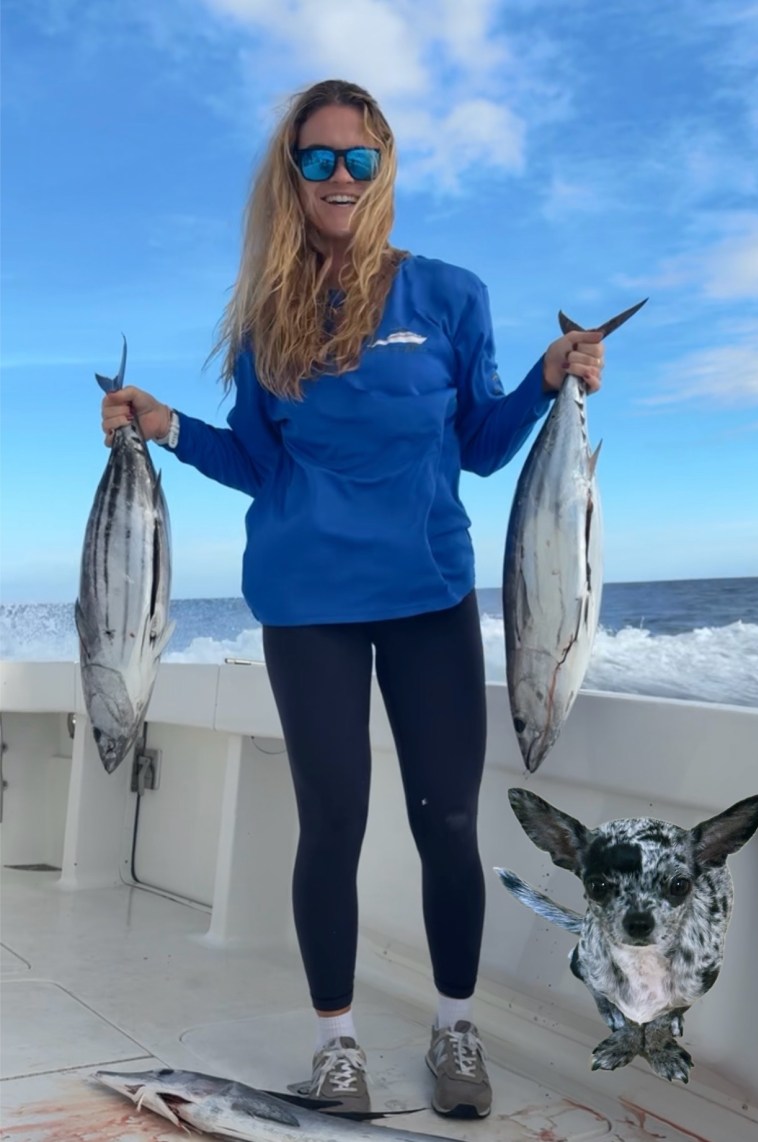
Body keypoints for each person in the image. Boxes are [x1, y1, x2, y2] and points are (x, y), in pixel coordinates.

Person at [101, 78, 604, 1121]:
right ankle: (336, 1045)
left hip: (426, 593)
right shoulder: (266, 314)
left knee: (447, 819)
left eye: (358, 157)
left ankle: (454, 1025)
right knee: (331, 822)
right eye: (318, 158)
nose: (340, 176)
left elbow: (480, 446)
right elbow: (258, 462)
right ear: (291, 175)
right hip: (308, 603)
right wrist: (167, 427)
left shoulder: (449, 294)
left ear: (384, 168)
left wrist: (547, 376)